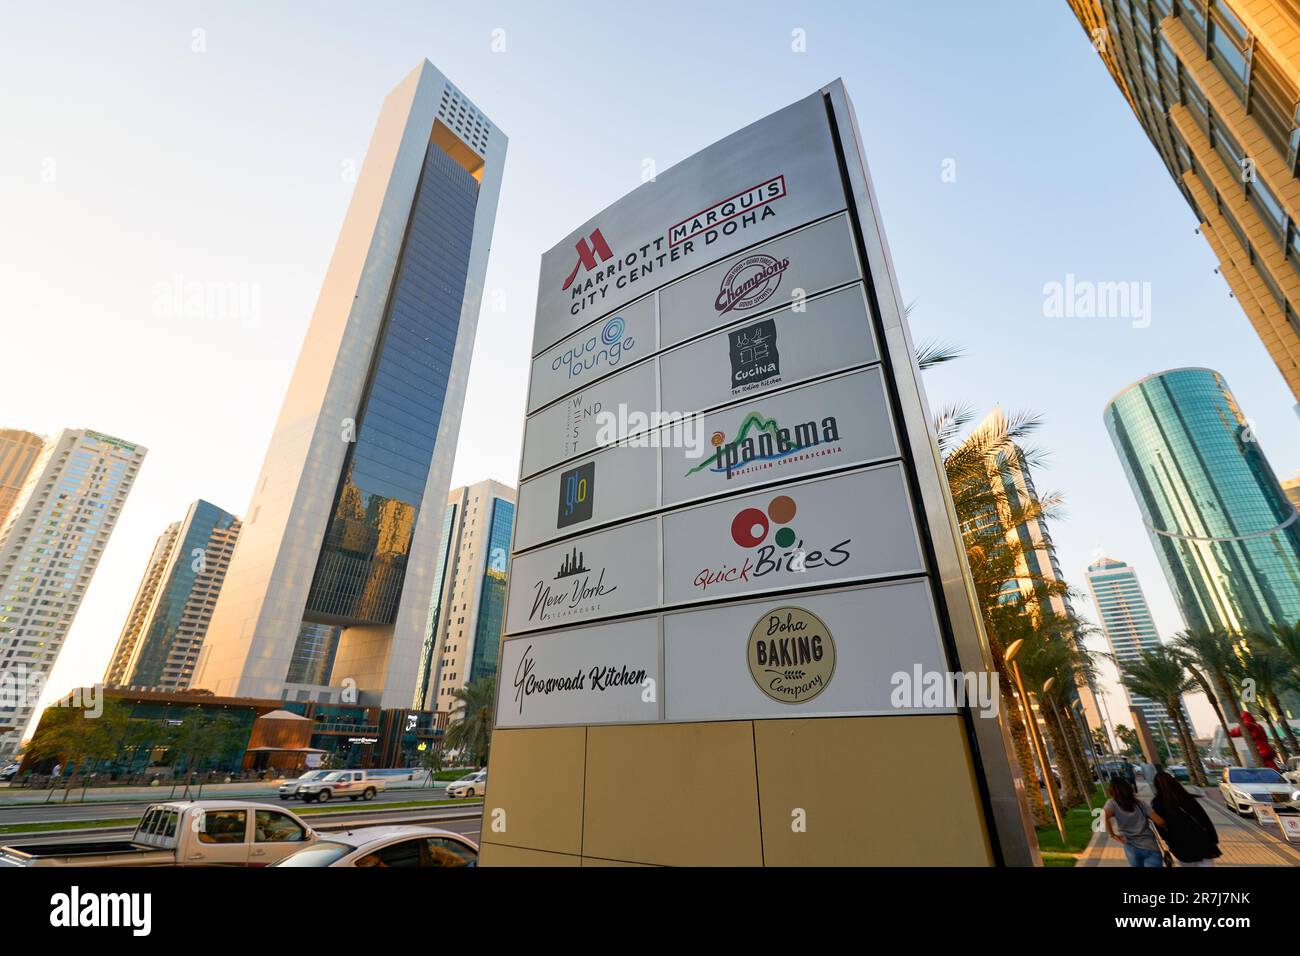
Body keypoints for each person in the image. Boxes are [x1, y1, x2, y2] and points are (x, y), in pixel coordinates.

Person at [1150, 770, 1220, 867]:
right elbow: (1204, 819)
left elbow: (1161, 827)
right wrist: (1213, 838)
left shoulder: (1157, 804)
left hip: (1180, 844)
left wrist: (1168, 841)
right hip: (1202, 841)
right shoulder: (1186, 798)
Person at [1104, 777, 1166, 867]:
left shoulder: (1112, 804)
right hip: (1150, 846)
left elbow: (1103, 816)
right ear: (1129, 789)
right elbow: (1160, 822)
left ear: (1111, 791)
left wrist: (1112, 834)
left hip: (1131, 847)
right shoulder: (1141, 804)